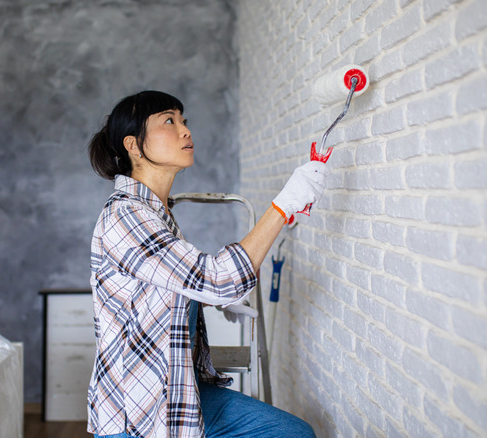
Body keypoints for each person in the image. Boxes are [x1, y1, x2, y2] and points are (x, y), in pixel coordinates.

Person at [87, 90, 325, 438]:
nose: (185, 131)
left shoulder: (156, 211)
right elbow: (216, 278)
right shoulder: (127, 215)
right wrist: (283, 205)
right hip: (139, 410)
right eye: (169, 121)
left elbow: (171, 284)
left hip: (179, 390)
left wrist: (209, 300)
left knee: (292, 433)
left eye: (184, 121)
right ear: (133, 146)